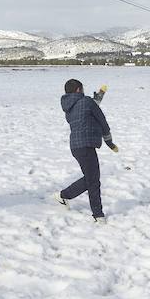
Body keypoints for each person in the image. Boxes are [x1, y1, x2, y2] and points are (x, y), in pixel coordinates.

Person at [56, 79, 118, 223]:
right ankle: (98, 214)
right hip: (86, 145)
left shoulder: (69, 107)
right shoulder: (87, 102)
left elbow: (86, 109)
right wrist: (109, 142)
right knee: (93, 181)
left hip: (76, 146)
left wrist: (98, 98)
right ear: (79, 89)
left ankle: (64, 196)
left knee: (91, 178)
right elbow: (102, 121)